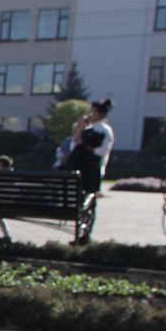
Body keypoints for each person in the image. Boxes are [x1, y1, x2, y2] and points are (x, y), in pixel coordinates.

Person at [67, 98, 114, 243]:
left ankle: (84, 234)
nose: (89, 114)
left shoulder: (104, 130)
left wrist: (86, 144)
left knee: (89, 203)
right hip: (81, 171)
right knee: (84, 203)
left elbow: (101, 151)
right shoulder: (87, 128)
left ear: (100, 114)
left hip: (91, 172)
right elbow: (72, 149)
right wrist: (79, 130)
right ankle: (82, 233)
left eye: (93, 112)